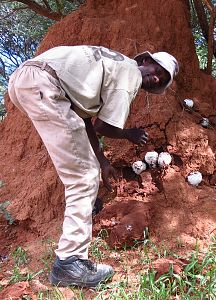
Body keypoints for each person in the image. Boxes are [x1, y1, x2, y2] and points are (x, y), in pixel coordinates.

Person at [8, 45, 179, 288]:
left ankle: (83, 215)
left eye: (162, 79)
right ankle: (69, 263)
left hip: (28, 82)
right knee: (83, 176)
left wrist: (103, 162)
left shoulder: (113, 66)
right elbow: (103, 127)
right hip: (45, 84)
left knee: (84, 168)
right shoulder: (130, 75)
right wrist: (129, 133)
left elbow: (84, 121)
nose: (156, 77)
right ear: (146, 61)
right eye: (158, 70)